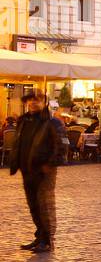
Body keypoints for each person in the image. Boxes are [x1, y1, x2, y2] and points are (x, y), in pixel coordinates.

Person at [9, 93, 64, 253]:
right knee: (33, 206)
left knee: (44, 205)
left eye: (37, 100)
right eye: (30, 100)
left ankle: (48, 240)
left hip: (44, 171)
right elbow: (18, 143)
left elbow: (61, 146)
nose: (33, 103)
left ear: (44, 102)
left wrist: (50, 164)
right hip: (27, 170)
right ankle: (40, 236)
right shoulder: (23, 120)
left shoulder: (52, 122)